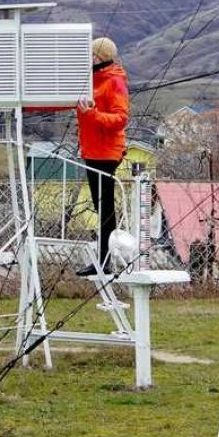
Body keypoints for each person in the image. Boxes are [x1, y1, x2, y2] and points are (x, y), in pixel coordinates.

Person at [75, 37, 130, 276]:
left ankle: (105, 259)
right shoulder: (93, 80)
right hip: (92, 151)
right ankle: (104, 259)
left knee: (105, 207)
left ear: (98, 57)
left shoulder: (114, 82)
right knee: (101, 206)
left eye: (91, 55)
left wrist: (92, 114)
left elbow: (120, 119)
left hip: (107, 153)